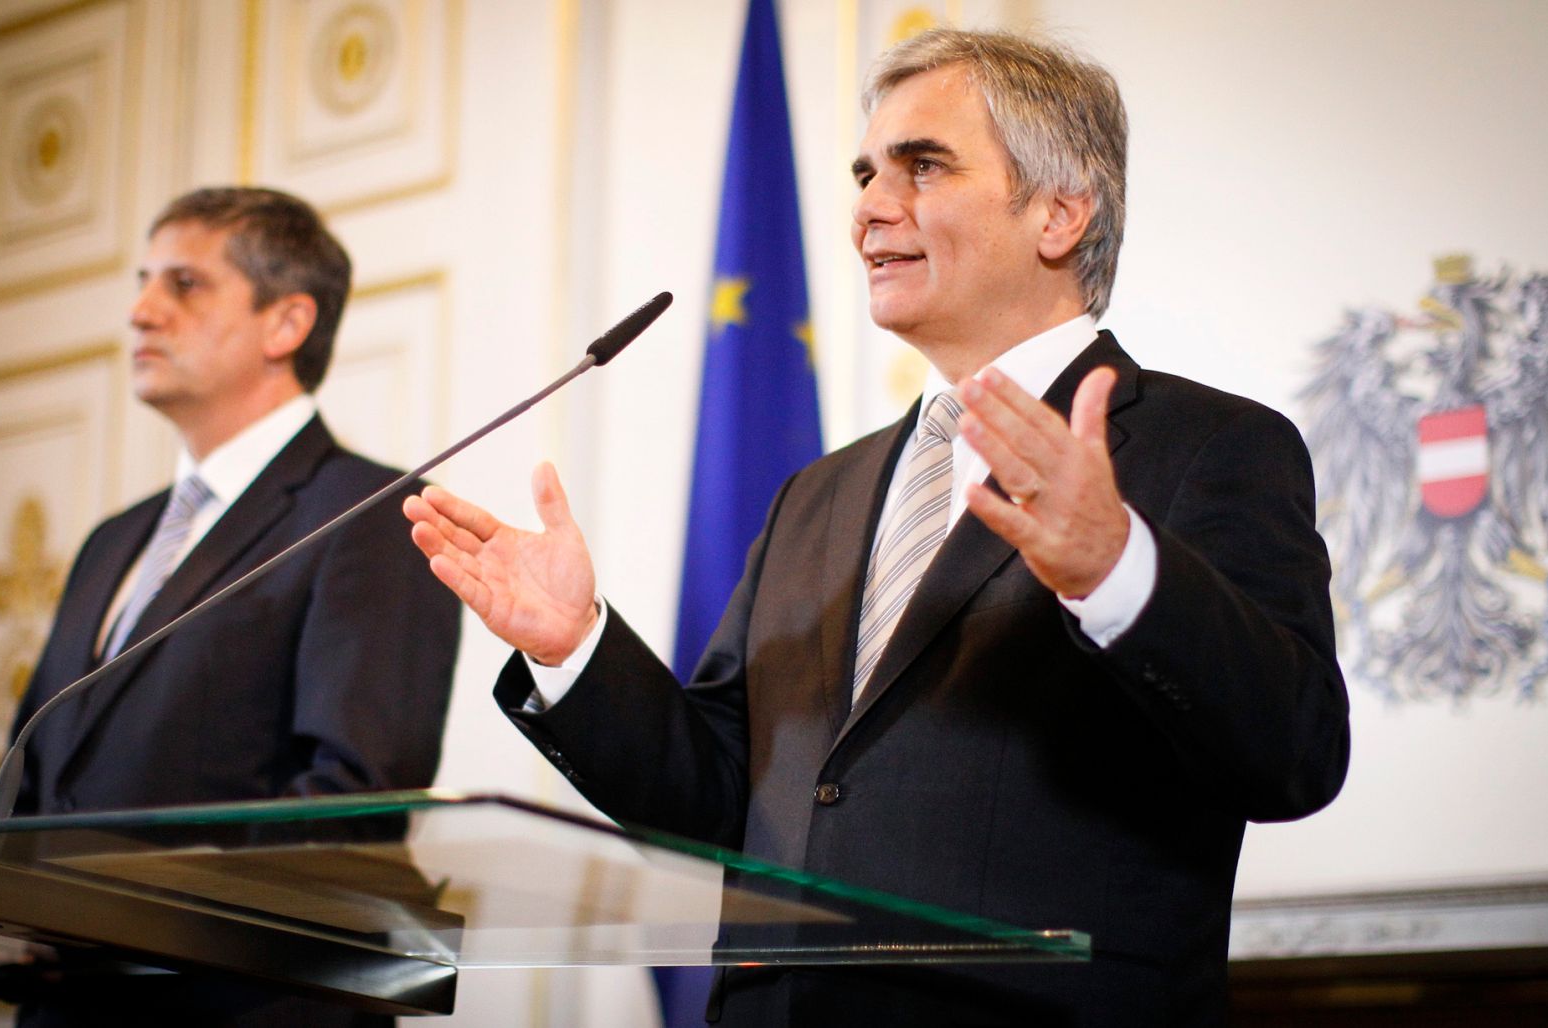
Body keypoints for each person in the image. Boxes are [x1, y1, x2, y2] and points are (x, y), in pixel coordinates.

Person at [405, 29, 1349, 1027]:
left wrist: (1115, 570)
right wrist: (578, 650)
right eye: (864, 174)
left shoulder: (1209, 448)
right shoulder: (816, 495)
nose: (866, 208)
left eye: (922, 166)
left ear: (1060, 212)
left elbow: (1293, 751)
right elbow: (723, 801)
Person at [0, 187, 462, 1027]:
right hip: (68, 1004)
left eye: (184, 284)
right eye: (142, 282)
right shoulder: (112, 539)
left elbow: (353, 799)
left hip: (243, 1007)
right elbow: (31, 774)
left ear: (286, 323)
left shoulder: (371, 515)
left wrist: (120, 908)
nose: (141, 311)